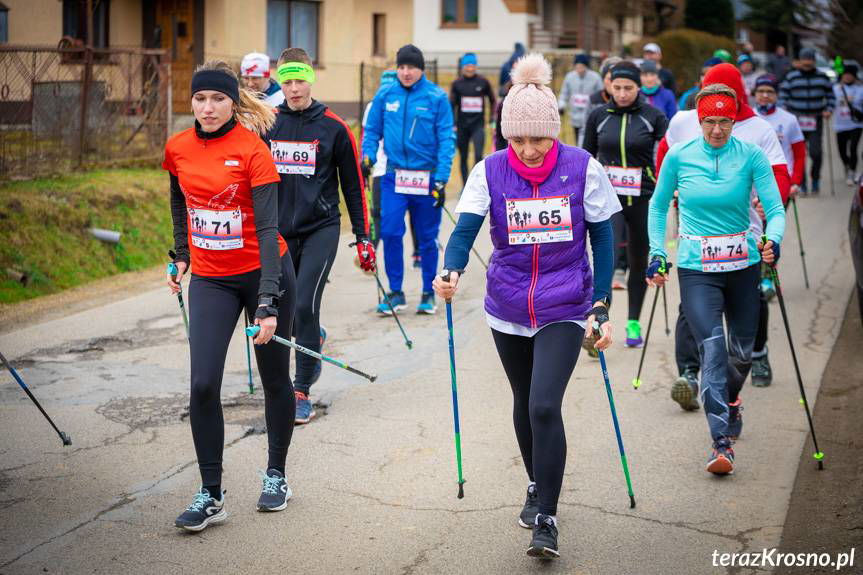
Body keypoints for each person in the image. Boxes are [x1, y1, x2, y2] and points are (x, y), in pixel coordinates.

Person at [434, 52, 618, 559]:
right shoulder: (489, 171)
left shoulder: (583, 167)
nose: (530, 150)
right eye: (518, 139)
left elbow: (603, 238)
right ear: (505, 136)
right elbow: (465, 230)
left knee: (543, 403)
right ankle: (537, 483)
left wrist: (600, 301)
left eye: (539, 139)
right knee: (523, 401)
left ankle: (548, 518)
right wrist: (450, 271)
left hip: (565, 302)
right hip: (508, 304)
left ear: (554, 133)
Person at [164, 61, 297, 530]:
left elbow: (266, 230)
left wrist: (267, 303)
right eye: (200, 99)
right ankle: (210, 493)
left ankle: (276, 474)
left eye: (218, 98)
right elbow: (179, 198)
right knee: (202, 384)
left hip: (264, 271)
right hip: (212, 279)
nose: (207, 107)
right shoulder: (178, 148)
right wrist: (182, 253)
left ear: (233, 103)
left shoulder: (252, 150)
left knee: (275, 379)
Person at [648, 83, 785, 475]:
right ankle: (720, 443)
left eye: (725, 122)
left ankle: (731, 400)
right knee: (712, 349)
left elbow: (775, 209)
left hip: (743, 266)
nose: (717, 131)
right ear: (699, 119)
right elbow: (658, 209)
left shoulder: (751, 155)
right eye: (709, 122)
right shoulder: (680, 156)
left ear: (735, 120)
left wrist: (771, 239)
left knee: (741, 353)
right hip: (696, 268)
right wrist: (658, 251)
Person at [264, 48, 373, 424]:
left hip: (320, 228)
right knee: (281, 310)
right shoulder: (267, 123)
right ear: (279, 81)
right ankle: (313, 340)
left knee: (305, 305)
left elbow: (354, 187)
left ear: (311, 79)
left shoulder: (333, 127)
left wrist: (363, 237)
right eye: (287, 81)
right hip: (277, 231)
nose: (294, 88)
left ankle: (301, 389)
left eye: (300, 80)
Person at [362, 44, 455, 315]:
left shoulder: (436, 97)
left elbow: (446, 139)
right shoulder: (385, 95)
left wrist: (441, 177)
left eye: (411, 67)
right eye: (401, 67)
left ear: (421, 69)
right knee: (390, 231)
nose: (405, 72)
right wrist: (367, 155)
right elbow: (372, 131)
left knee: (427, 237)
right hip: (394, 176)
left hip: (426, 178)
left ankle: (428, 291)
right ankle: (396, 291)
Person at [584, 61, 668, 348]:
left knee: (637, 261)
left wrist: (664, 184)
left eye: (628, 88)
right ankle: (598, 323)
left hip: (643, 198)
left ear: (638, 87)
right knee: (605, 258)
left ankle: (633, 321)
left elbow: (666, 156)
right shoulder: (598, 116)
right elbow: (586, 157)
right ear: (609, 85)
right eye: (616, 87)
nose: (621, 94)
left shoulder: (653, 116)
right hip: (608, 203)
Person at [751, 73, 804, 385]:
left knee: (772, 232)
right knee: (757, 233)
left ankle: (769, 274)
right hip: (751, 189)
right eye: (761, 91)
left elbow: (798, 152)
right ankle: (762, 274)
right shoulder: (748, 122)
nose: (766, 96)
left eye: (771, 91)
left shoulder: (788, 120)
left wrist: (795, 180)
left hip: (778, 186)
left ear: (777, 94)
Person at [779, 48, 835, 194]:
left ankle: (815, 178)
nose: (807, 61)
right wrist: (784, 112)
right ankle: (801, 183)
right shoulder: (792, 77)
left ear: (814, 60)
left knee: (816, 153)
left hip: (816, 118)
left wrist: (829, 109)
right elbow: (782, 96)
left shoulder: (823, 77)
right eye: (805, 58)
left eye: (810, 58)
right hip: (796, 120)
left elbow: (831, 96)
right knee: (799, 153)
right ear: (800, 60)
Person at [451, 53, 496, 186]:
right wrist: (453, 123)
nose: (470, 69)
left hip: (478, 126)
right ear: (463, 67)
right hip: (462, 126)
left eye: (472, 66)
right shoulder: (457, 84)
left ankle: (476, 186)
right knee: (463, 157)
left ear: (475, 66)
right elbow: (451, 105)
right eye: (467, 66)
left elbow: (493, 100)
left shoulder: (483, 82)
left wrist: (491, 118)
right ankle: (465, 187)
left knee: (478, 156)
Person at [557, 53, 603, 145]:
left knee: (589, 139)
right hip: (575, 116)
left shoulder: (595, 78)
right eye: (577, 67)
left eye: (582, 67)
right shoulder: (569, 77)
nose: (579, 70)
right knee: (577, 139)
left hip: (590, 115)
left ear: (586, 66)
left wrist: (598, 109)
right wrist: (561, 105)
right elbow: (564, 93)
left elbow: (601, 94)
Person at [833, 63, 863, 185]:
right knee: (842, 151)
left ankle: (852, 172)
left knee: (853, 148)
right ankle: (847, 165)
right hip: (840, 124)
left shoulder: (860, 89)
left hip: (856, 124)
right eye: (845, 75)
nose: (847, 77)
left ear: (854, 76)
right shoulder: (835, 88)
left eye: (850, 75)